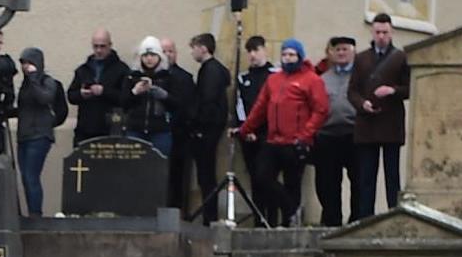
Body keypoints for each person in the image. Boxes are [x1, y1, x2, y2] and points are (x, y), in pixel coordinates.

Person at [235, 40, 326, 226]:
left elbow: (321, 110)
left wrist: (306, 135)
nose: (288, 58)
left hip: (296, 141)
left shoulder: (311, 79)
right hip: (273, 140)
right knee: (262, 177)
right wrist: (245, 129)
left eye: (292, 55)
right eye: (285, 54)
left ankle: (288, 223)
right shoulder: (274, 80)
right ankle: (291, 208)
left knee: (293, 183)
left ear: (300, 56)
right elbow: (260, 108)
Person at [349, 13, 410, 216]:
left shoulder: (401, 58)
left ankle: (394, 215)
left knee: (392, 176)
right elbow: (352, 91)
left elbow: (410, 88)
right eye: (378, 32)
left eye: (385, 32)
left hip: (391, 124)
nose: (381, 36)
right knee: (366, 177)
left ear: (391, 33)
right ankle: (366, 217)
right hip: (367, 125)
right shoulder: (361, 58)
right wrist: (362, 103)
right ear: (372, 33)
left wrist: (392, 90)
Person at [311, 35, 360, 226]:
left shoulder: (361, 77)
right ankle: (332, 223)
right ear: (331, 53)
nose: (341, 53)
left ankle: (357, 221)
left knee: (358, 181)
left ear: (353, 52)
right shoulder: (322, 79)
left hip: (354, 135)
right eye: (337, 49)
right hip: (327, 136)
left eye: (345, 49)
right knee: (328, 183)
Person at [12, 47, 68, 215]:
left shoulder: (46, 81)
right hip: (24, 135)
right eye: (23, 63)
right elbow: (23, 108)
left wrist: (34, 78)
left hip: (39, 135)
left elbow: (44, 98)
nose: (26, 66)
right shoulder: (25, 85)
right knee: (25, 178)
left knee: (31, 176)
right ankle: (32, 212)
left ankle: (36, 214)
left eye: (29, 62)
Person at [183, 34, 232, 221]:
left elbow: (207, 101)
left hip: (206, 130)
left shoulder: (209, 71)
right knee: (206, 174)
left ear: (203, 48)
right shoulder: (213, 70)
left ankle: (209, 217)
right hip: (209, 128)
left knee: (206, 175)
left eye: (194, 47)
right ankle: (208, 215)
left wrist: (198, 125)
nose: (192, 51)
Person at [66, 30, 129, 141]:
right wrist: (81, 94)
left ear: (110, 45)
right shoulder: (83, 70)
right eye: (95, 46)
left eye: (102, 46)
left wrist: (104, 92)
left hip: (111, 130)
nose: (99, 50)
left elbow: (127, 98)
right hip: (84, 129)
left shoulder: (122, 69)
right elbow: (71, 96)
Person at [120, 36, 175, 156]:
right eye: (145, 55)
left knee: (159, 167)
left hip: (160, 131)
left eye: (153, 55)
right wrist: (135, 92)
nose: (149, 59)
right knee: (136, 168)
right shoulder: (131, 77)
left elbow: (177, 105)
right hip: (135, 129)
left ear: (160, 57)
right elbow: (123, 104)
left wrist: (163, 95)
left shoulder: (168, 77)